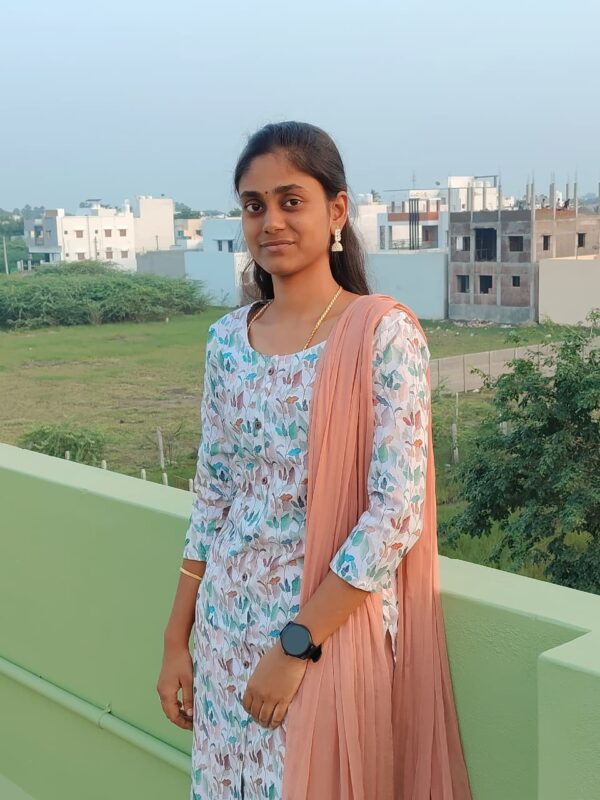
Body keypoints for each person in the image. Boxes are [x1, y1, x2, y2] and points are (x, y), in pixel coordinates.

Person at [157, 121, 471, 799]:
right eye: (253, 205)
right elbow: (212, 497)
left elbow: (394, 515)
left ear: (336, 210)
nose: (270, 220)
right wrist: (176, 639)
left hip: (324, 632)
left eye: (290, 200)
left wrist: (296, 644)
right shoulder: (226, 340)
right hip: (225, 631)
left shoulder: (382, 334)